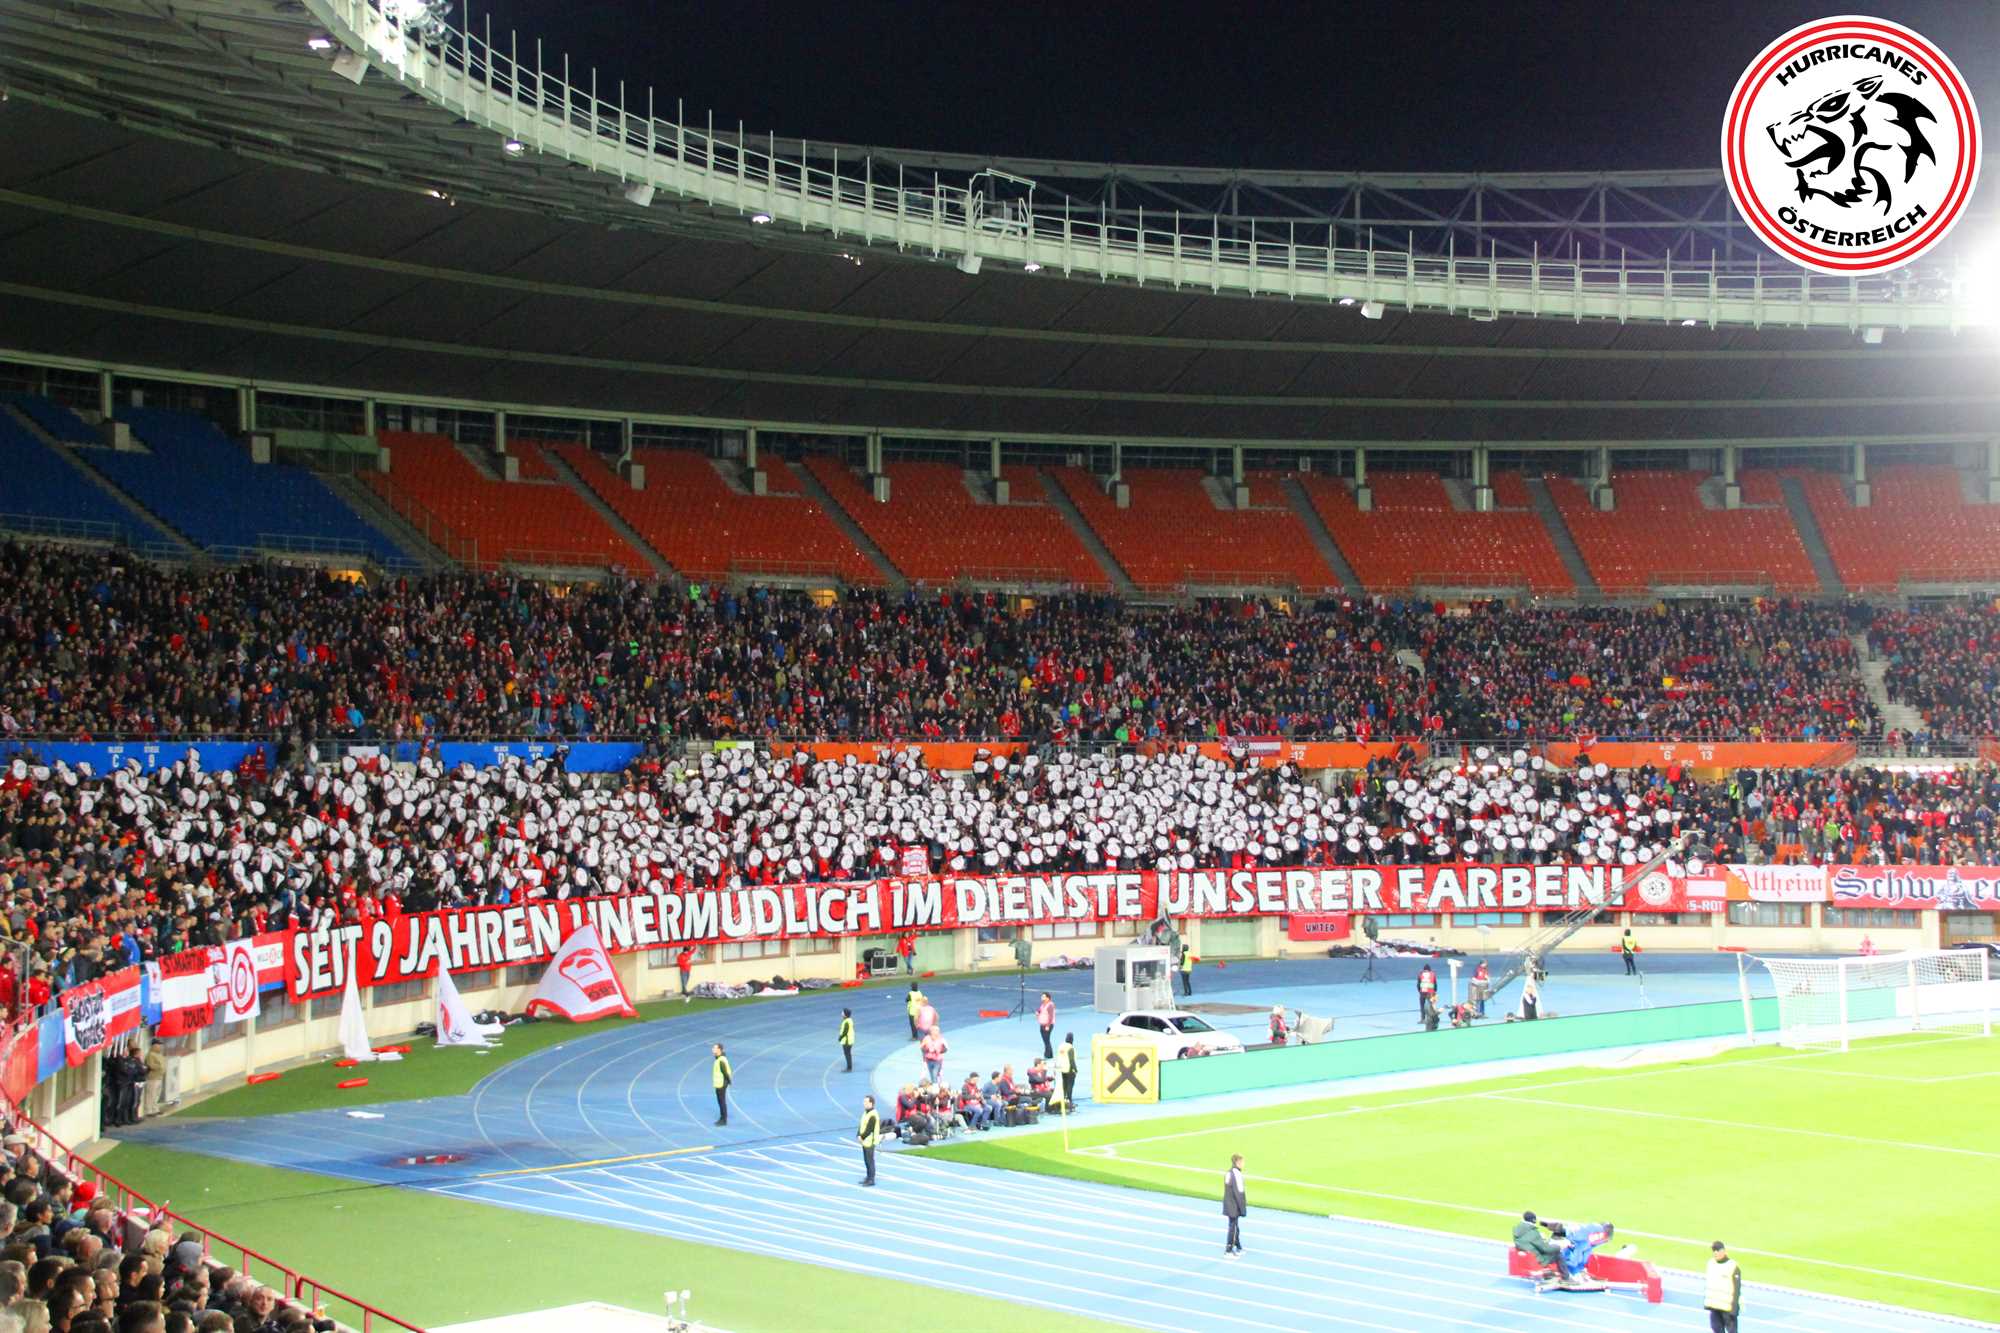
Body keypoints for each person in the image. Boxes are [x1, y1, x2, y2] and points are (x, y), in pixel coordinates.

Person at [1706, 1240, 1742, 1333]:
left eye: (1718, 1250)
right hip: (1715, 1306)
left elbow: (1737, 1288)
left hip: (1727, 1308)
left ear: (1724, 1251)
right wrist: (1708, 1304)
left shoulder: (1732, 1266)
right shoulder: (1711, 1263)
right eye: (1714, 1250)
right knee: (1716, 1329)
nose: (1715, 1252)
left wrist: (1734, 1308)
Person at [1222, 1154, 1246, 1256]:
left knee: (1235, 1226)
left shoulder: (1229, 1172)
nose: (1243, 1164)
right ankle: (1228, 1249)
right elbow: (1239, 1193)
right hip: (1234, 1205)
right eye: (1242, 1162)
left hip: (1228, 1203)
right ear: (1238, 1162)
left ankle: (1238, 1246)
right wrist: (1242, 1209)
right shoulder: (1237, 1175)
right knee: (1233, 1227)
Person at [856, 1095, 879, 1187]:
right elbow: (861, 1124)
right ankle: (868, 1177)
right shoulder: (866, 1113)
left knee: (870, 1161)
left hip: (870, 1141)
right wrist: (858, 1135)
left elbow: (869, 1129)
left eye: (866, 1102)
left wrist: (861, 1137)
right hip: (864, 1141)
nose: (864, 1103)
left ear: (871, 1103)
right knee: (866, 1160)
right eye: (864, 1102)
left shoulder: (873, 1114)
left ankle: (871, 1179)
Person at [710, 1042, 732, 1126]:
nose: (712, 1049)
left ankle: (723, 1120)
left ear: (719, 1049)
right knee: (720, 1102)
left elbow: (725, 1072)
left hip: (721, 1084)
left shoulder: (721, 1060)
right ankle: (722, 1118)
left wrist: (728, 1081)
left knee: (722, 1102)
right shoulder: (719, 1059)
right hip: (719, 1083)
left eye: (714, 1048)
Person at [1055, 1032, 1078, 1111]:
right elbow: (1071, 1060)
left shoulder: (1061, 1046)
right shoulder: (1070, 1047)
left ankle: (1063, 1100)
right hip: (1069, 1069)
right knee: (1070, 1086)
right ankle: (1069, 1101)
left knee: (1064, 1085)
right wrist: (1075, 1069)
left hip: (1061, 1069)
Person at [1036, 992, 1056, 1059]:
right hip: (1042, 1024)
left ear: (1048, 998)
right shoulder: (1043, 1004)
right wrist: (1038, 1012)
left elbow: (1051, 1016)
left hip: (1048, 1025)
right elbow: (1040, 1010)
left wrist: (1048, 1025)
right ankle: (1049, 1054)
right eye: (1042, 996)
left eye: (1043, 997)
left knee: (1046, 1040)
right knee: (1045, 1040)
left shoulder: (1050, 1005)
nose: (1042, 998)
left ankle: (1047, 1055)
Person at [837, 1008, 855, 1073]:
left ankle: (849, 1068)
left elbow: (845, 1032)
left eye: (843, 1012)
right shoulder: (850, 1020)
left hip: (847, 1041)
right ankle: (849, 1067)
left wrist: (840, 1038)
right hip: (850, 1040)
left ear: (845, 1014)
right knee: (848, 1054)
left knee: (847, 1054)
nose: (841, 1013)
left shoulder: (846, 1022)